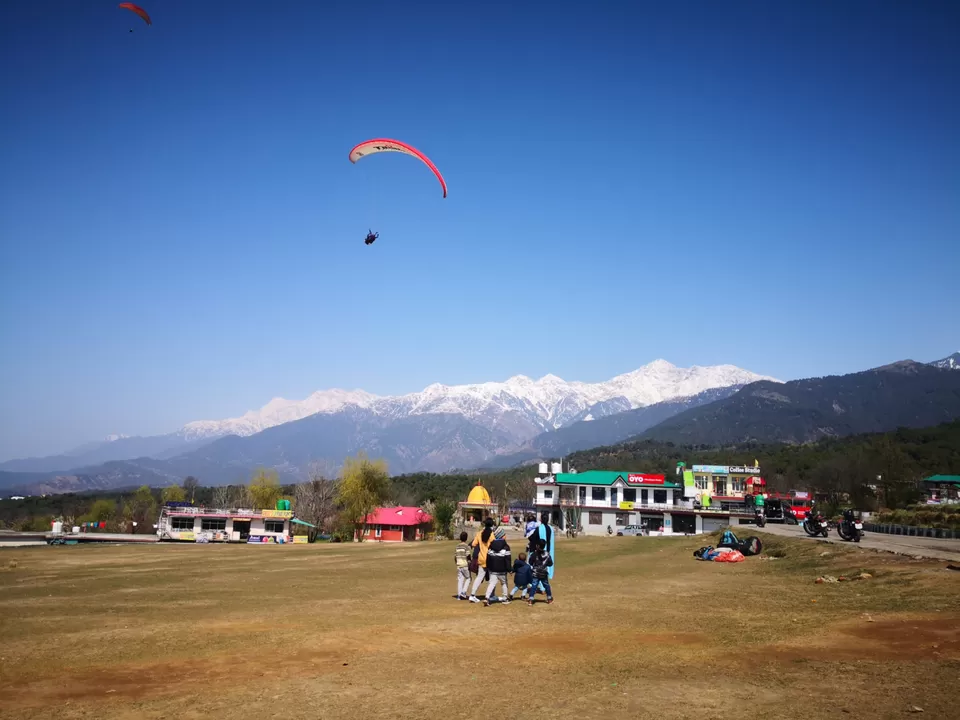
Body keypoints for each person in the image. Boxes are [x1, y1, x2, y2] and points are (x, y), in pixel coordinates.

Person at [468, 518, 496, 603]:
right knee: (493, 578)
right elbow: (494, 545)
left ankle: (472, 595)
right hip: (490, 558)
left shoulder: (479, 533)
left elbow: (473, 544)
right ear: (491, 525)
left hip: (481, 558)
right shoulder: (492, 535)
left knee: (479, 577)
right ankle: (491, 595)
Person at [483, 527, 512, 606]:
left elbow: (488, 558)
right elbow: (507, 559)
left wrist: (488, 567)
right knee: (504, 583)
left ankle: (486, 597)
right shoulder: (506, 546)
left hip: (493, 569)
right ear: (502, 536)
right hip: (502, 570)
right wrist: (509, 569)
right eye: (504, 534)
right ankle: (505, 598)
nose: (505, 536)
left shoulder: (491, 545)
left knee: (491, 584)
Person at [527, 538, 553, 605]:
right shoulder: (547, 554)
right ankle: (549, 599)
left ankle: (531, 600)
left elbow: (530, 562)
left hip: (535, 573)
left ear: (537, 545)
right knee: (546, 586)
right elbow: (550, 563)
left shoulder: (534, 554)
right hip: (544, 573)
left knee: (534, 586)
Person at [454, 531, 471, 600]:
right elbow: (468, 555)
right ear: (466, 538)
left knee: (460, 580)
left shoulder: (457, 546)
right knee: (468, 578)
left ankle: (459, 595)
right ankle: (463, 592)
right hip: (464, 565)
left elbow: (455, 556)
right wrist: (470, 562)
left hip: (459, 565)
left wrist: (456, 563)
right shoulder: (466, 546)